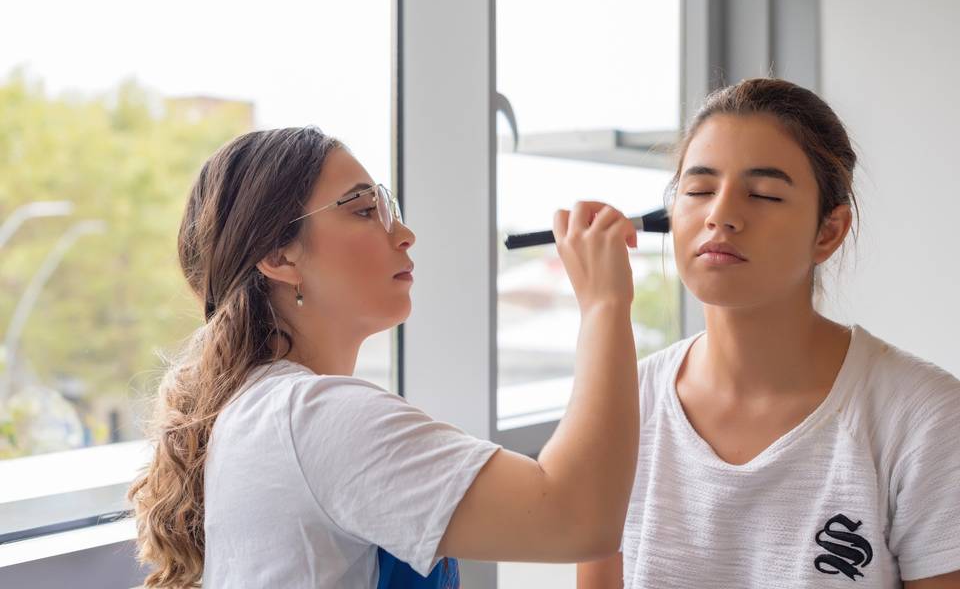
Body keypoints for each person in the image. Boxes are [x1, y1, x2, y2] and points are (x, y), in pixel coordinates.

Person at [128, 125, 643, 588]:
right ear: (278, 256)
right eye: (361, 210)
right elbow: (578, 520)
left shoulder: (265, 409)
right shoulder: (311, 416)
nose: (403, 234)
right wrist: (604, 303)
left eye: (387, 208)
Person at [577, 78, 960, 588]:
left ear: (828, 232)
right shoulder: (626, 404)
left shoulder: (923, 418)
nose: (720, 216)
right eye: (698, 190)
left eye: (763, 194)